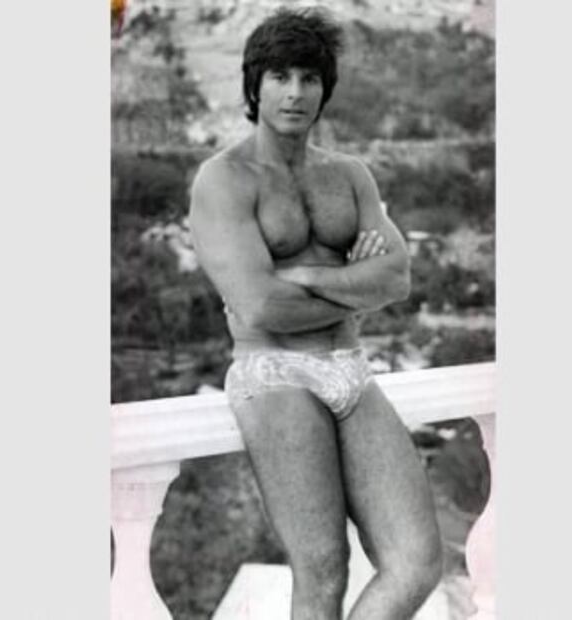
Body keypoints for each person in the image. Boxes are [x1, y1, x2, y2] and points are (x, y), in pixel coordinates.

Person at [188, 8, 442, 619]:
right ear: (255, 86)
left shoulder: (349, 175)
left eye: (309, 78)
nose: (295, 93)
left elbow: (397, 278)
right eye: (280, 77)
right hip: (275, 374)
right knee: (323, 569)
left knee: (416, 563)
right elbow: (260, 305)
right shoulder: (224, 179)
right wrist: (354, 285)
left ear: (326, 88)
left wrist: (306, 276)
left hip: (349, 370)